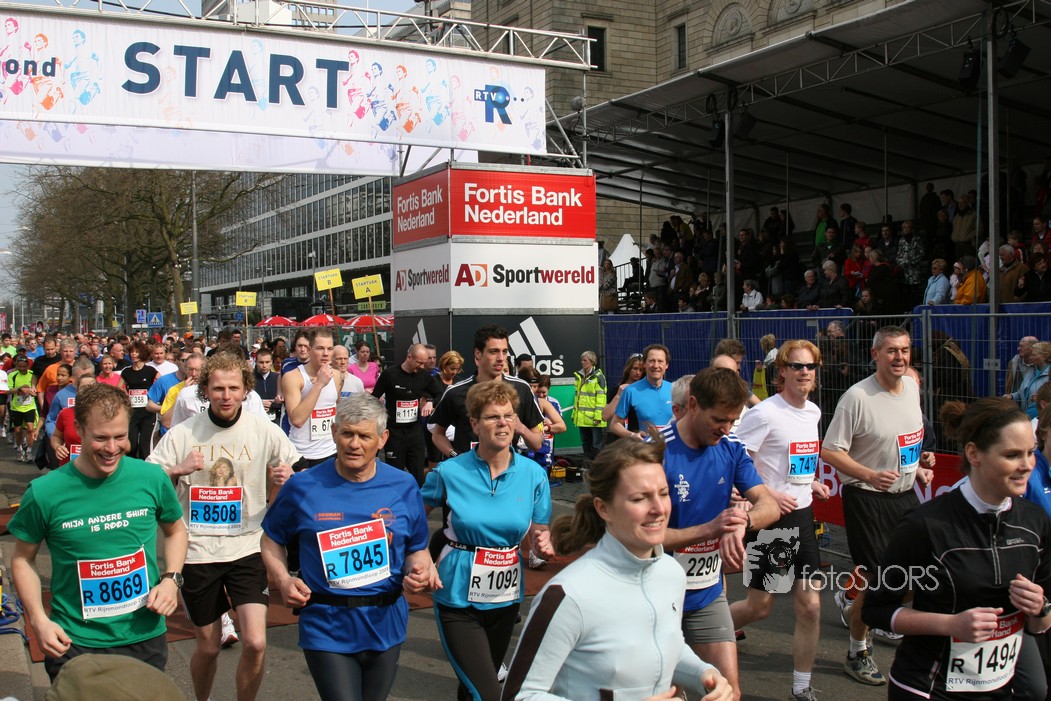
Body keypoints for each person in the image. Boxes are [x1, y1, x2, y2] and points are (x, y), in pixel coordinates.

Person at [502, 440, 732, 701]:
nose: (658, 509)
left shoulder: (672, 574)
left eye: (663, 493)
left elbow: (667, 645)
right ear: (604, 508)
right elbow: (520, 696)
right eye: (640, 498)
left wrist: (703, 673)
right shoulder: (568, 594)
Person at [864, 397, 1051, 700]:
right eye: (1012, 455)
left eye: (1030, 452)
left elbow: (1041, 624)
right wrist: (951, 624)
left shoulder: (1035, 521)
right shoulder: (926, 524)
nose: (1027, 465)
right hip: (928, 688)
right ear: (974, 454)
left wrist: (1040, 609)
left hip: (998, 691)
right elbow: (875, 610)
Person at [261, 392, 440, 701]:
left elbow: (417, 547)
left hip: (385, 623)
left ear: (382, 439)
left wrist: (419, 569)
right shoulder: (303, 486)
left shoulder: (403, 485)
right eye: (347, 434)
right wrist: (283, 579)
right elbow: (271, 538)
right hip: (327, 623)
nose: (354, 444)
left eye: (364, 436)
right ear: (334, 432)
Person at [8, 383, 188, 681]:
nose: (112, 448)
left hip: (143, 636)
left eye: (120, 437)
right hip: (74, 640)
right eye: (101, 438)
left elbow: (176, 531)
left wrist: (171, 580)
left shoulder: (151, 478)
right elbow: (22, 559)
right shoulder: (44, 492)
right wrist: (38, 620)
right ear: (78, 429)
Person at [147, 351, 297, 701]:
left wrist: (289, 477)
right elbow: (147, 481)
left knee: (256, 642)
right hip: (198, 551)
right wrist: (177, 470)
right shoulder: (183, 433)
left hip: (248, 546)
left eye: (233, 388)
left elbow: (298, 470)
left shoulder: (263, 430)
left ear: (246, 390)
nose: (226, 396)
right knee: (209, 646)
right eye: (218, 389)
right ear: (205, 391)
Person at [422, 380, 554, 701]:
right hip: (457, 596)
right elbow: (412, 518)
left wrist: (543, 543)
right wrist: (420, 555)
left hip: (505, 597)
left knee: (474, 689)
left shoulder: (533, 474)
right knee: (488, 693)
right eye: (493, 417)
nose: (503, 423)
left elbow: (540, 530)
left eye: (508, 416)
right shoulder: (448, 472)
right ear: (474, 424)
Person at [821, 326, 935, 686]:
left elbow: (905, 441)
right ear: (876, 355)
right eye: (891, 351)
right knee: (878, 579)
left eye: (905, 350)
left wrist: (917, 467)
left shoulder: (912, 387)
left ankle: (851, 599)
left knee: (921, 575)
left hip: (904, 496)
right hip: (867, 498)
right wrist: (869, 474)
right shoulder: (857, 397)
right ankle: (857, 652)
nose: (900, 357)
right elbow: (830, 451)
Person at [661, 367, 779, 701]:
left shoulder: (731, 447)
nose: (725, 429)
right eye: (718, 419)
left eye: (732, 420)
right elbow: (638, 537)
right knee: (667, 694)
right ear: (693, 405)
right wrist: (710, 530)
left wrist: (743, 521)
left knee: (727, 692)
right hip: (655, 596)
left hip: (706, 593)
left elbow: (769, 505)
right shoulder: (655, 450)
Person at [728, 341, 830, 701]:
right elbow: (736, 462)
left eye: (810, 366)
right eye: (797, 366)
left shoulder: (814, 412)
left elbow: (795, 461)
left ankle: (801, 687)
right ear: (781, 372)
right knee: (760, 607)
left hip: (803, 517)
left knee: (811, 606)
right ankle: (700, 632)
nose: (805, 372)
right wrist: (769, 494)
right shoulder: (765, 413)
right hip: (772, 520)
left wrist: (809, 482)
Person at [430, 324, 543, 460]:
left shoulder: (521, 388)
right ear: (478, 354)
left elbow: (537, 444)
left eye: (504, 352)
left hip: (507, 469)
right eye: (494, 351)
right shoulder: (456, 392)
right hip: (469, 471)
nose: (501, 358)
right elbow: (437, 434)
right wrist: (456, 456)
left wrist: (521, 428)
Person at [371, 343, 446, 485]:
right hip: (394, 432)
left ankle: (416, 498)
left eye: (424, 363)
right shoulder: (390, 374)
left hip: (414, 432)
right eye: (419, 363)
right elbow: (374, 398)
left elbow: (439, 393)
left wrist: (430, 401)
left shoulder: (423, 376)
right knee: (394, 474)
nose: (422, 366)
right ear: (409, 357)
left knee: (418, 475)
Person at [282, 328, 346, 471]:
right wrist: (318, 385)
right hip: (303, 453)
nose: (326, 353)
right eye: (320, 348)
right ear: (310, 350)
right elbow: (297, 420)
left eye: (330, 349)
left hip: (331, 451)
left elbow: (337, 409)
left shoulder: (337, 376)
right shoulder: (293, 377)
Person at [609, 344, 673, 441]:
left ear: (666, 365)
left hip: (672, 449)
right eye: (651, 361)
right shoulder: (630, 391)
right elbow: (615, 425)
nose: (656, 366)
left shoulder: (674, 389)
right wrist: (632, 435)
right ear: (644, 364)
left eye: (660, 361)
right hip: (645, 449)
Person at [120, 341, 159, 460]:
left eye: (136, 352)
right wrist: (126, 395)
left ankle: (146, 467)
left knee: (144, 445)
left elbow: (160, 385)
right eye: (132, 352)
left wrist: (154, 397)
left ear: (142, 353)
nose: (133, 354)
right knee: (131, 444)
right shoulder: (126, 371)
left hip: (148, 412)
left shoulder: (150, 370)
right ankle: (130, 467)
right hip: (132, 412)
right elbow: (118, 388)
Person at [50, 374, 96, 465]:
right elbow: (56, 436)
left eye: (91, 387)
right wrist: (58, 447)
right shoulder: (65, 413)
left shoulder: (106, 415)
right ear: (77, 391)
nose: (88, 391)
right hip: (69, 467)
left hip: (97, 468)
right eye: (84, 387)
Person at [571, 350, 607, 461]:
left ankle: (598, 464)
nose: (582, 362)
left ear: (592, 361)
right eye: (582, 360)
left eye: (585, 360)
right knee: (585, 442)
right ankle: (587, 463)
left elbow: (601, 399)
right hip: (582, 418)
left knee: (597, 444)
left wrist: (598, 416)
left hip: (594, 419)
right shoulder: (579, 376)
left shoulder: (599, 377)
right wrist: (574, 414)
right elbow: (577, 398)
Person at [601, 354, 644, 432]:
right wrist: (618, 395)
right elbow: (605, 416)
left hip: (640, 435)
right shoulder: (618, 389)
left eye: (641, 370)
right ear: (628, 368)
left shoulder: (645, 390)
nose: (638, 372)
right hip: (621, 436)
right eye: (635, 368)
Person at [1007, 342, 1050, 418]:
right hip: (1029, 413)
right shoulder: (1031, 371)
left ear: (1044, 357)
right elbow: (1023, 391)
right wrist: (1012, 396)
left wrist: (1041, 397)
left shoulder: (1049, 375)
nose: (1031, 357)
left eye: (1034, 355)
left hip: (1043, 416)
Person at [9, 353, 38, 462]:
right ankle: (19, 449)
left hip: (30, 406)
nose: (22, 368)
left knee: (30, 429)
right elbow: (8, 390)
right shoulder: (12, 375)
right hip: (16, 407)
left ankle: (29, 451)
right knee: (18, 430)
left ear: (28, 366)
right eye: (19, 366)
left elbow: (37, 389)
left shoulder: (32, 375)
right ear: (16, 365)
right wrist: (20, 389)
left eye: (24, 366)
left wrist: (32, 391)